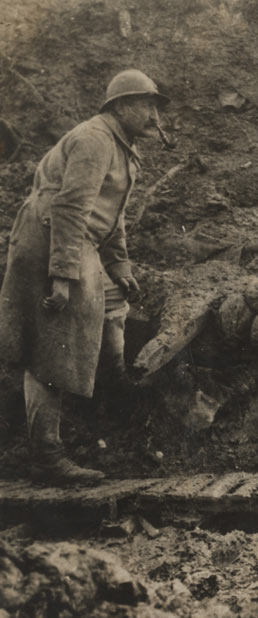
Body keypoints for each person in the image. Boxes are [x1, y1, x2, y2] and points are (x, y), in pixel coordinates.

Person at [0, 69, 168, 484]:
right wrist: (62, 275)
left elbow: (112, 214)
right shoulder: (95, 140)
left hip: (78, 243)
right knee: (51, 348)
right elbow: (71, 208)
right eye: (146, 104)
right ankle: (47, 456)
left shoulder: (121, 146)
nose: (153, 114)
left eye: (155, 106)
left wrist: (119, 265)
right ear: (121, 106)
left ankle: (114, 393)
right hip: (51, 240)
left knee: (112, 307)